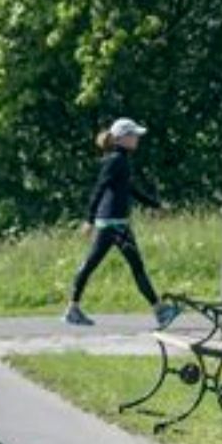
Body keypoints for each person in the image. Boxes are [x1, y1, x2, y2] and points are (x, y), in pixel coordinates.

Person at [64, 118, 179, 329]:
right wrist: (89, 220)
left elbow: (131, 189)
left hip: (113, 223)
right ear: (122, 138)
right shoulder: (116, 160)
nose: (137, 139)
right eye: (134, 135)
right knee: (134, 267)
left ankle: (73, 309)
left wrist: (156, 206)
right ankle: (161, 311)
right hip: (113, 224)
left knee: (93, 264)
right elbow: (100, 187)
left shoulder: (121, 160)